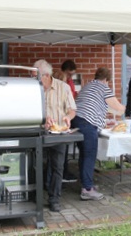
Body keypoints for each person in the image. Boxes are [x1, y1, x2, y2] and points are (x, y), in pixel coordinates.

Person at [71, 67, 125, 200]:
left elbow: (93, 105)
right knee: (89, 155)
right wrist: (124, 108)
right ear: (107, 80)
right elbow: (118, 108)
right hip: (87, 123)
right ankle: (87, 189)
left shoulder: (87, 86)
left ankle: (86, 184)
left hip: (76, 120)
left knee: (84, 155)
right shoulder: (104, 88)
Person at [32, 59, 76, 212]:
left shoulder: (63, 87)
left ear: (45, 75)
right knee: (36, 165)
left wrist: (68, 118)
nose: (34, 80)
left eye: (35, 76)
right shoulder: (32, 88)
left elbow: (72, 109)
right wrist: (42, 120)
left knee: (57, 166)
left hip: (59, 132)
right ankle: (34, 196)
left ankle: (54, 198)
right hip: (38, 133)